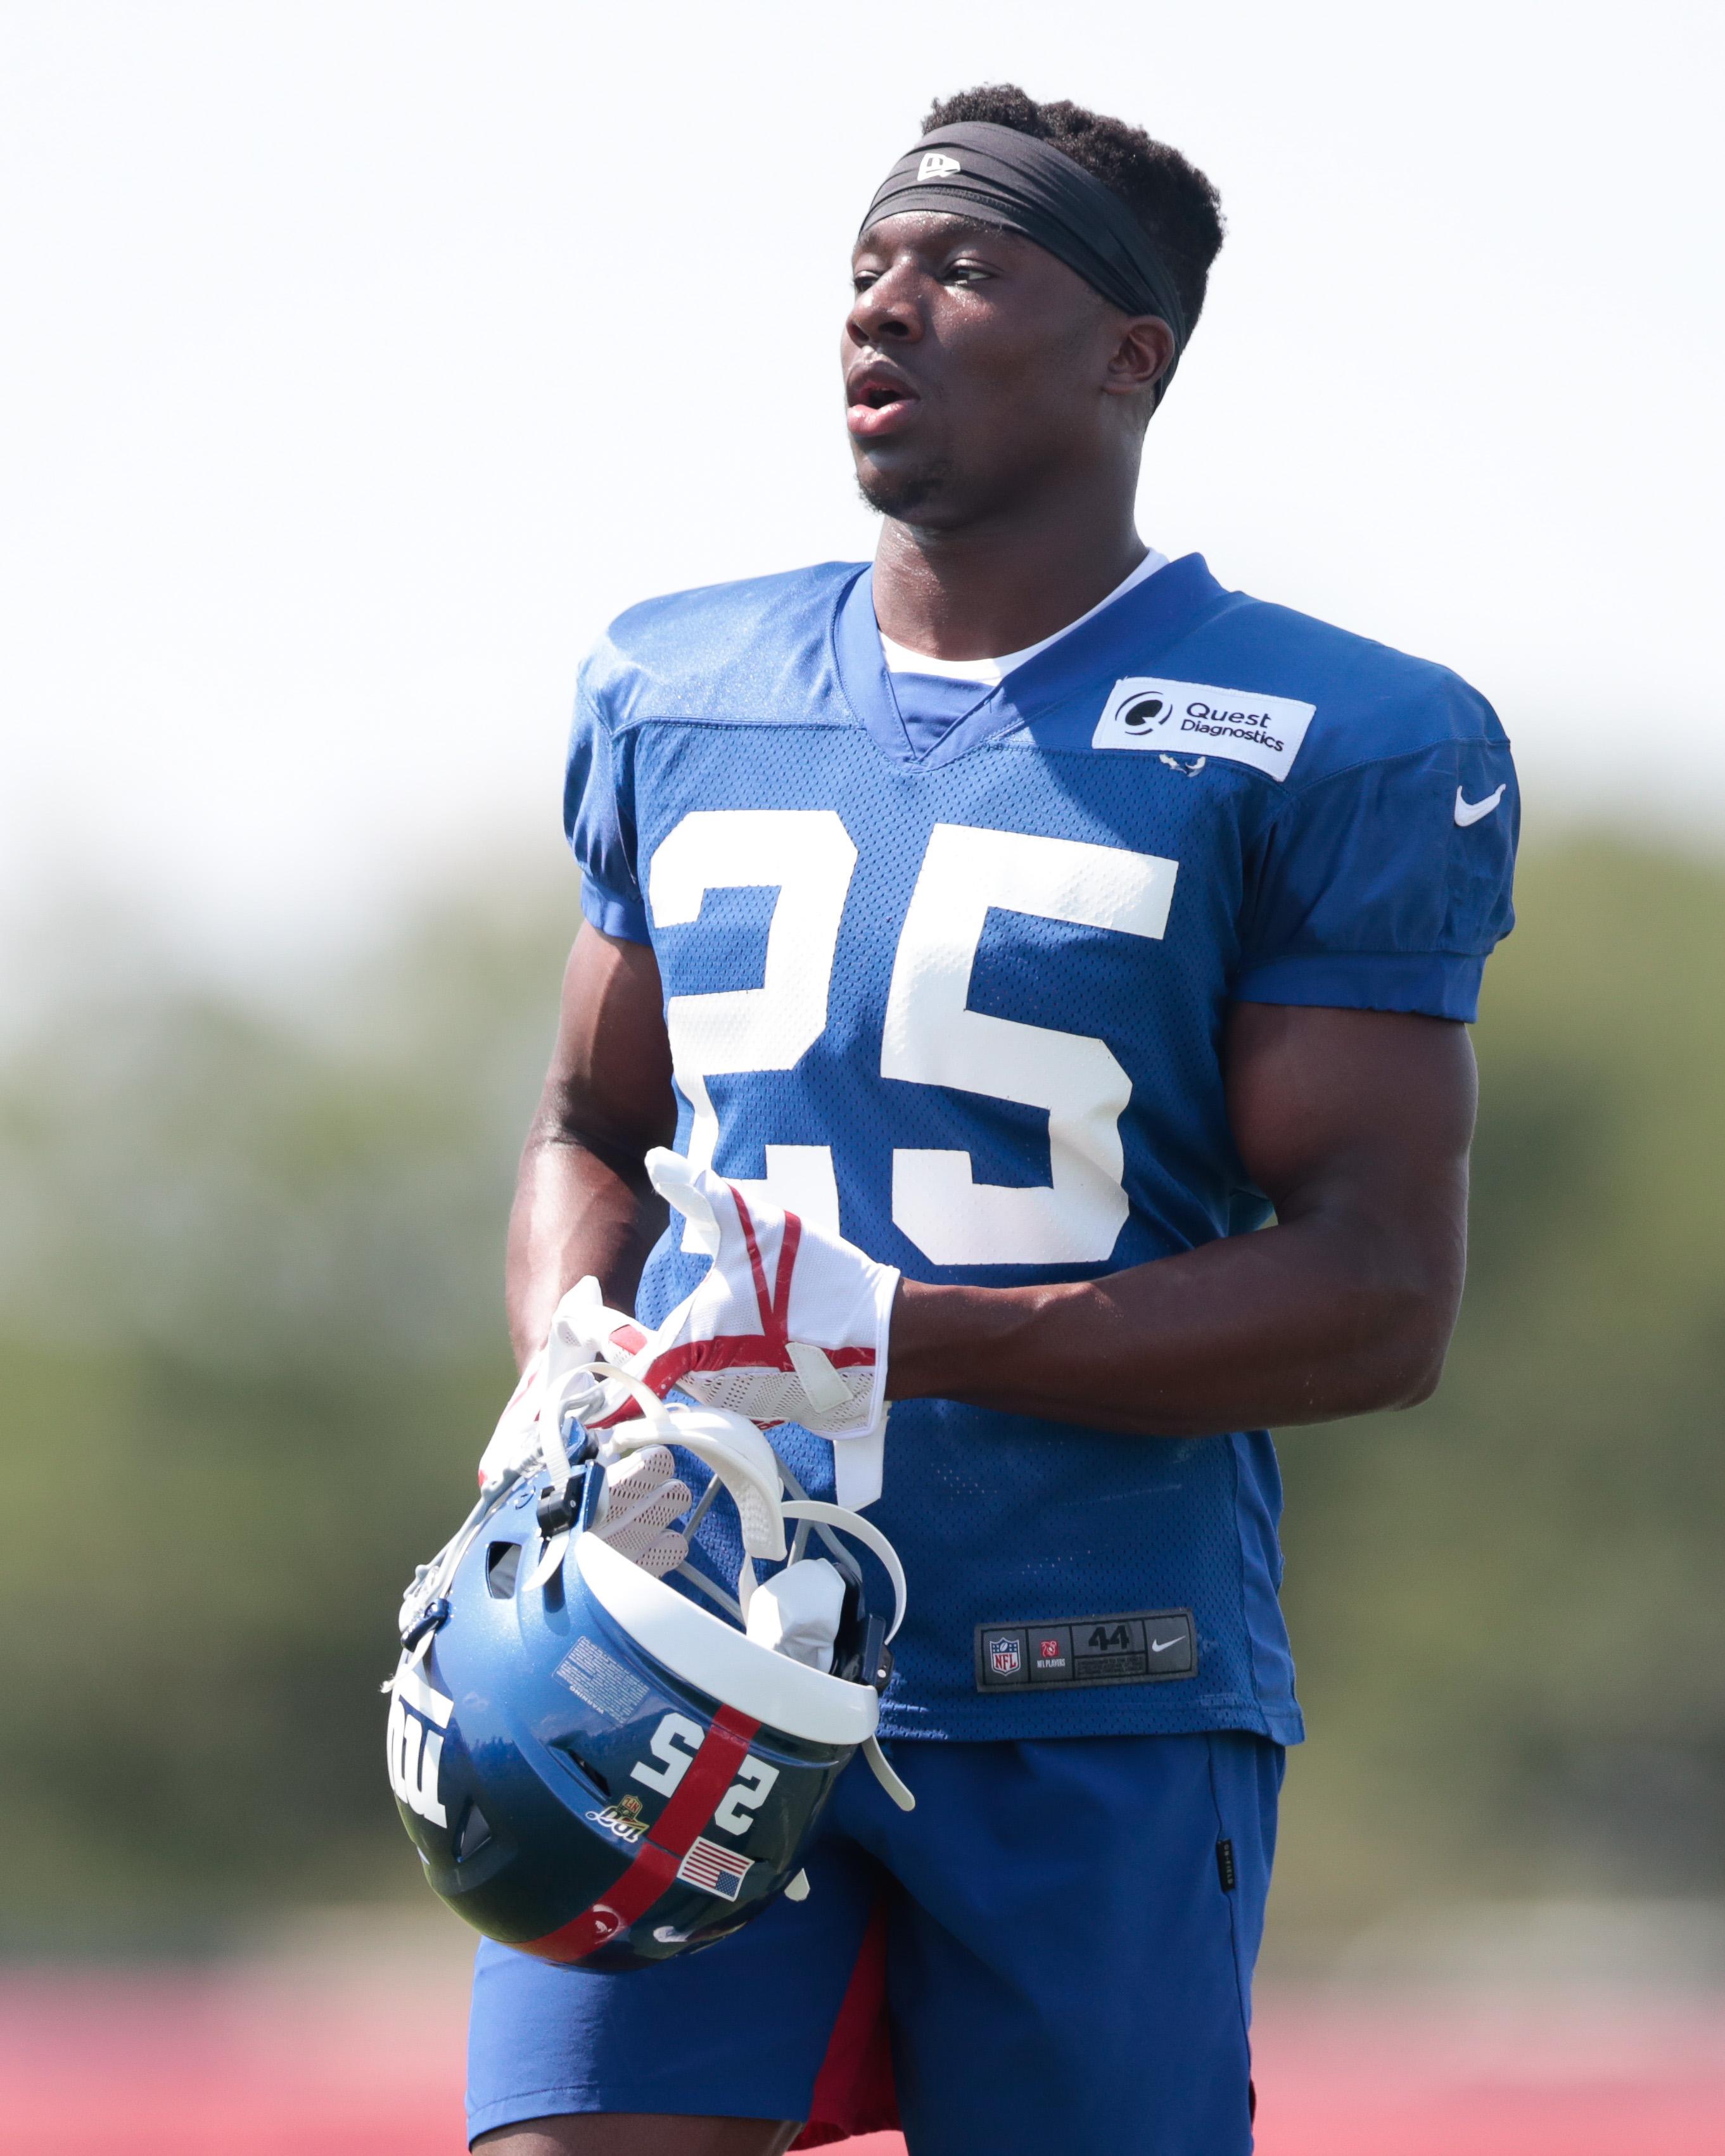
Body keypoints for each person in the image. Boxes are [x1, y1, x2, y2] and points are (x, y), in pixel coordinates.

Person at [468, 82, 1518, 2156]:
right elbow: (590, 1117)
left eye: (962, 268)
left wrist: (913, 1332)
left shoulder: (1336, 735)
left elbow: (1379, 1298)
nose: (883, 311)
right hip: (678, 1629)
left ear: (1131, 354)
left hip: (1087, 1667)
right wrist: (568, 1357)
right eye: (864, 268)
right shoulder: (676, 684)